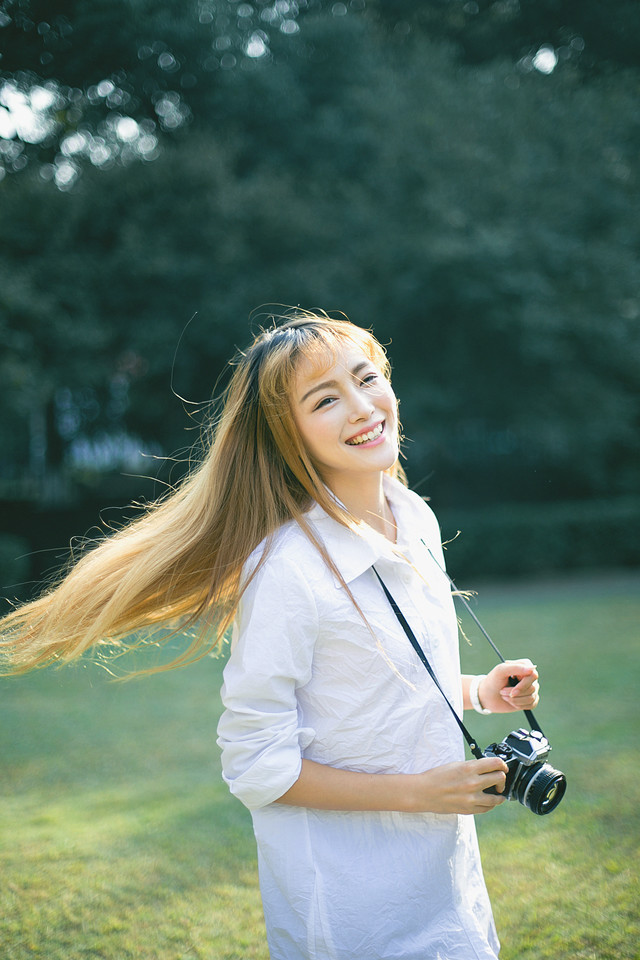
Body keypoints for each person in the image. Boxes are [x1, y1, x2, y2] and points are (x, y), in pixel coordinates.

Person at [1, 309, 539, 959]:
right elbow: (257, 763)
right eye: (326, 399)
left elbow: (383, 685)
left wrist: (481, 691)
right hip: (350, 906)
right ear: (290, 436)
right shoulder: (288, 569)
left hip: (445, 885)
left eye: (368, 379)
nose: (362, 407)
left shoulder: (414, 517)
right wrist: (419, 791)